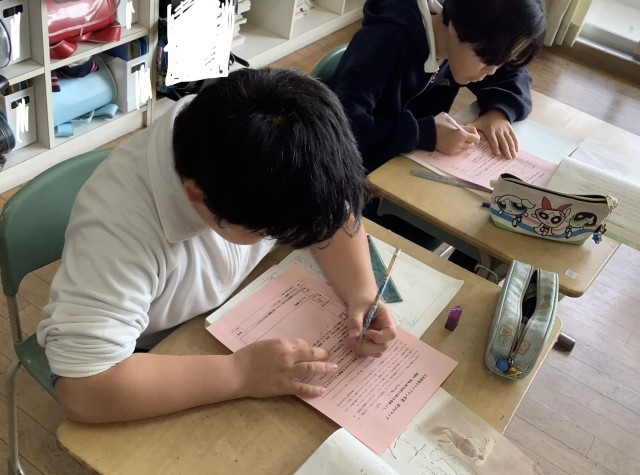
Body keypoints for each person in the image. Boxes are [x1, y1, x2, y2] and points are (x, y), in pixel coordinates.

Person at [36, 67, 397, 423]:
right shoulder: (117, 232)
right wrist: (240, 374)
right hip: (157, 349)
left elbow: (330, 210)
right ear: (197, 194)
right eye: (270, 232)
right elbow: (83, 388)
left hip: (235, 304)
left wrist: (361, 291)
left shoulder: (253, 130)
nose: (280, 237)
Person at [327, 0, 547, 172]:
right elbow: (341, 129)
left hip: (406, 162)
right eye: (488, 61)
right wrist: (425, 134)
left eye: (501, 61)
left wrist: (498, 112)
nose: (492, 71)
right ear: (455, 28)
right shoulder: (384, 43)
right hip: (355, 176)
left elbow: (514, 75)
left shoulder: (466, 39)